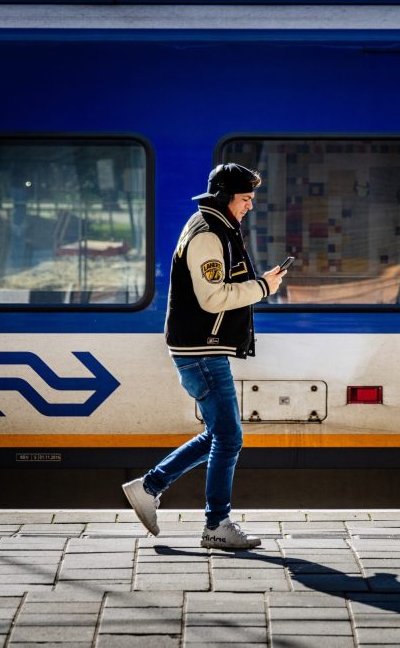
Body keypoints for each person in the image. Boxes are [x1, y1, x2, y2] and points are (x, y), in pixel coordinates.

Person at [122, 163, 285, 549]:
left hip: (202, 349)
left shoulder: (215, 227)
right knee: (229, 438)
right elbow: (212, 299)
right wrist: (262, 287)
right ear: (227, 196)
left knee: (219, 433)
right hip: (200, 352)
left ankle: (149, 487)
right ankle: (216, 524)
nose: (249, 207)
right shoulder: (208, 235)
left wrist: (259, 285)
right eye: (245, 199)